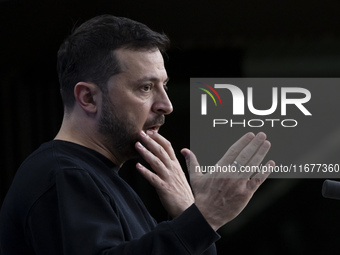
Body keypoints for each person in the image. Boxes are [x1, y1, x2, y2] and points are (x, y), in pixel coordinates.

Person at [0, 15, 275, 254]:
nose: (166, 104)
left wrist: (189, 214)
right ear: (88, 97)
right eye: (145, 87)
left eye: (164, 85)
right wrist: (204, 217)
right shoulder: (62, 175)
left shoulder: (97, 178)